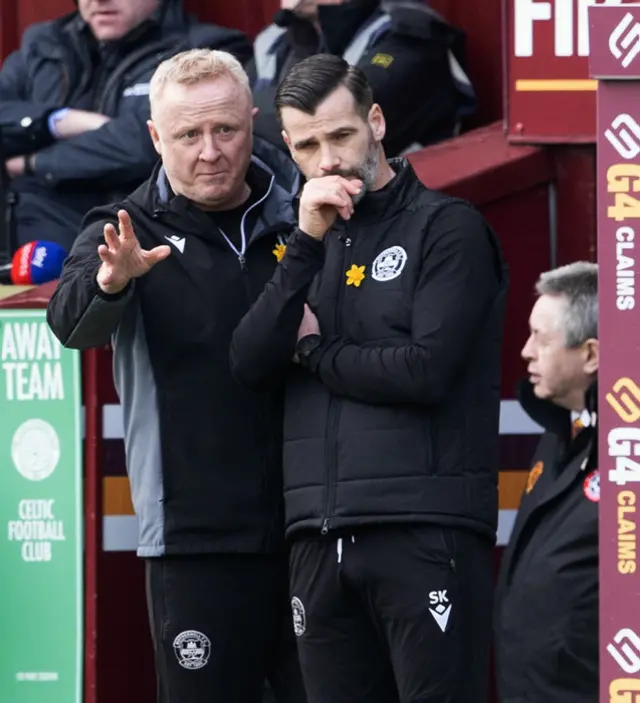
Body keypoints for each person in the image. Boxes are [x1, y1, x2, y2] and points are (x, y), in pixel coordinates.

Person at [230, 54, 508, 703]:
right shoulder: (294, 245)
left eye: (341, 134)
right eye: (306, 145)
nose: (326, 158)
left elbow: (427, 369)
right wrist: (303, 243)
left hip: (424, 526)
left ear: (376, 121)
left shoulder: (448, 228)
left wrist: (317, 354)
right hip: (316, 536)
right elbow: (247, 361)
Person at [46, 49, 306, 703]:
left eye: (226, 130)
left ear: (255, 122)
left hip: (312, 524)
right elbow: (71, 324)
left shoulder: (303, 221)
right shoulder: (122, 231)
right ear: (157, 137)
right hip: (194, 535)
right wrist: (112, 281)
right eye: (188, 135)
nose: (211, 151)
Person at [0, 0, 252, 252]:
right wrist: (59, 121)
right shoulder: (44, 44)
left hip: (138, 243)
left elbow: (143, 143)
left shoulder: (202, 53)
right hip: (27, 250)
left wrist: (31, 163)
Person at [494, 262, 599, 703]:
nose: (525, 351)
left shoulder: (626, 455)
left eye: (542, 337)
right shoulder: (561, 433)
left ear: (591, 354)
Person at [247, 0, 475, 157]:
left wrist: (233, 118)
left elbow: (332, 110)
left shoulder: (408, 36)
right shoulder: (276, 41)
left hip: (394, 213)